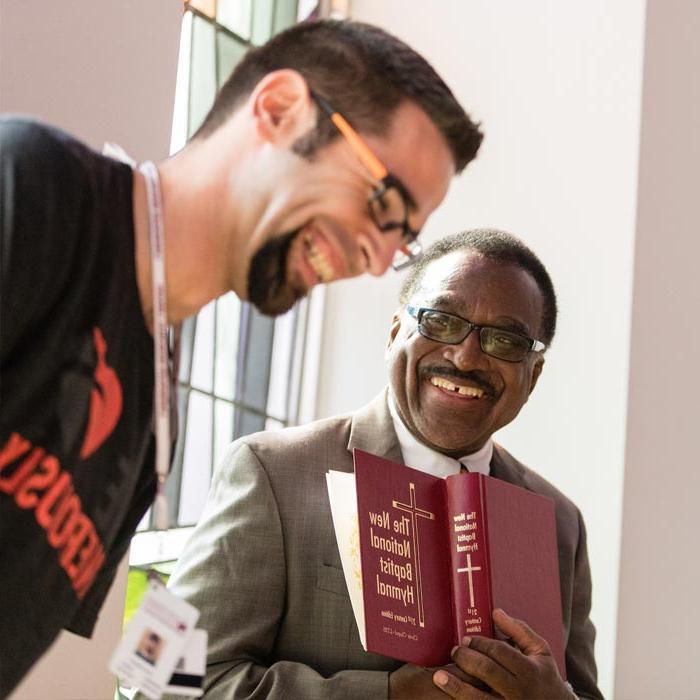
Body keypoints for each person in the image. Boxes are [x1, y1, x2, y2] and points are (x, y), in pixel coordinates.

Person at [0, 19, 483, 697]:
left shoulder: (153, 412)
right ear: (280, 109)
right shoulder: (34, 183)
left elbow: (162, 671)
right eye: (384, 202)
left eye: (400, 240)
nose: (377, 262)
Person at [156, 229, 603, 700]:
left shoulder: (558, 522)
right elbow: (161, 678)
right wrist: (386, 695)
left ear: (532, 376)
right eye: (441, 321)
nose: (466, 356)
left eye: (505, 340)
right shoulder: (269, 472)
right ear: (395, 334)